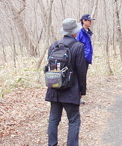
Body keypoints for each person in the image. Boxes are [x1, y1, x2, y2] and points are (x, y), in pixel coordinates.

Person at [45, 18, 88, 146]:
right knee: (74, 120)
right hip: (71, 89)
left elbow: (48, 68)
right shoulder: (78, 46)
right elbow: (81, 71)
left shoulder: (54, 45)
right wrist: (82, 90)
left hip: (54, 89)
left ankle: (52, 144)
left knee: (53, 120)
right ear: (75, 32)